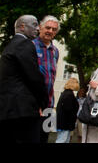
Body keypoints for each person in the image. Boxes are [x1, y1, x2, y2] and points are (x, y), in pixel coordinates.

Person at [0, 15, 48, 143]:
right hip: (21, 111)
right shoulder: (24, 44)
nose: (38, 28)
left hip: (5, 110)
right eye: (34, 25)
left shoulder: (11, 45)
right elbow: (33, 76)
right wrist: (43, 101)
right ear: (22, 27)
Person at [33, 15, 60, 143]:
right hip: (34, 105)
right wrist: (34, 103)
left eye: (54, 29)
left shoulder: (55, 51)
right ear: (40, 27)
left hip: (49, 105)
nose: (50, 31)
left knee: (44, 138)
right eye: (47, 27)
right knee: (32, 137)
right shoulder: (31, 46)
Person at [55, 78, 80, 143]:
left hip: (63, 122)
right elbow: (68, 109)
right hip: (66, 123)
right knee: (62, 140)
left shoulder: (65, 93)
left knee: (64, 139)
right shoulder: (69, 95)